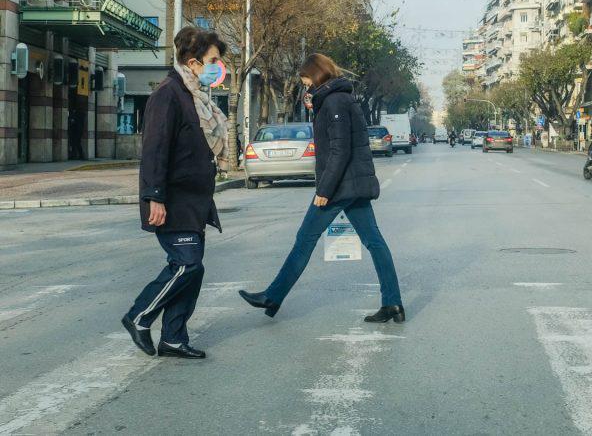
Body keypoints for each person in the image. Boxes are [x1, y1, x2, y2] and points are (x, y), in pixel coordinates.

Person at [239, 53, 404, 323]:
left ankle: (273, 295)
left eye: (305, 78)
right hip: (352, 185)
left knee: (305, 239)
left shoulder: (335, 100)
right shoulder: (337, 98)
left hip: (340, 187)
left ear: (316, 74)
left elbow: (339, 150)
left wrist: (324, 191)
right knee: (375, 242)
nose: (304, 84)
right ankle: (393, 303)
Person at [122, 27, 228, 359]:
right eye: (213, 60)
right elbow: (155, 149)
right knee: (186, 265)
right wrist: (155, 197)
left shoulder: (194, 96)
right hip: (173, 199)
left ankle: (173, 338)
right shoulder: (168, 94)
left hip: (194, 201)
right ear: (194, 62)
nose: (218, 65)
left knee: (193, 269)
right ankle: (139, 316)